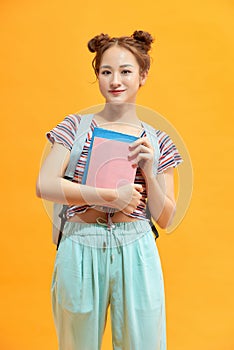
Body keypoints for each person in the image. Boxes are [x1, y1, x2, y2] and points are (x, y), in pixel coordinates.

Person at [36, 30, 183, 350]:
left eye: (126, 71)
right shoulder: (73, 127)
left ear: (142, 76)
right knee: (77, 344)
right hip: (79, 243)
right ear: (97, 75)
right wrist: (109, 197)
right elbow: (45, 185)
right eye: (106, 71)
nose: (115, 80)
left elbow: (166, 218)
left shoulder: (158, 141)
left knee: (143, 343)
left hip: (137, 249)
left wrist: (148, 169)